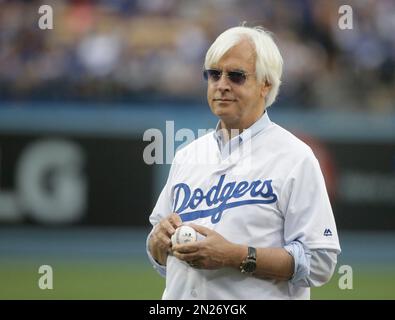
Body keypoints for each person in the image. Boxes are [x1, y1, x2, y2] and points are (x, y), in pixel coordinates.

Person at [146, 25, 341, 300]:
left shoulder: (295, 157)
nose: (221, 84)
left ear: (266, 84)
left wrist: (235, 255)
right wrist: (157, 243)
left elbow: (320, 262)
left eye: (236, 76)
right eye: (214, 74)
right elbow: (162, 259)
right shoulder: (187, 156)